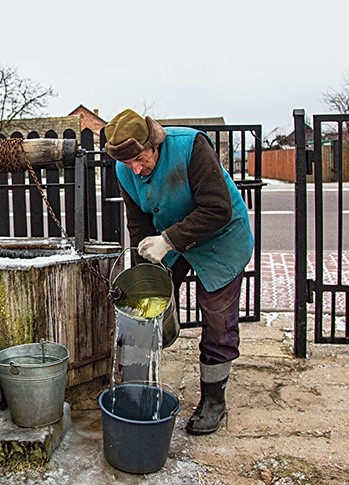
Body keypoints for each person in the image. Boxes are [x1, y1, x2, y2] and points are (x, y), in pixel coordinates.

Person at [104, 108, 254, 435]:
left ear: (154, 143)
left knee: (216, 315)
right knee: (147, 302)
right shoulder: (124, 168)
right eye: (129, 164)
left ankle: (214, 400)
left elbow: (217, 208)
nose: (137, 169)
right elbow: (139, 222)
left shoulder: (191, 147)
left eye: (141, 159)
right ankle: (140, 387)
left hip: (221, 236)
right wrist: (146, 268)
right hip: (169, 239)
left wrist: (168, 240)